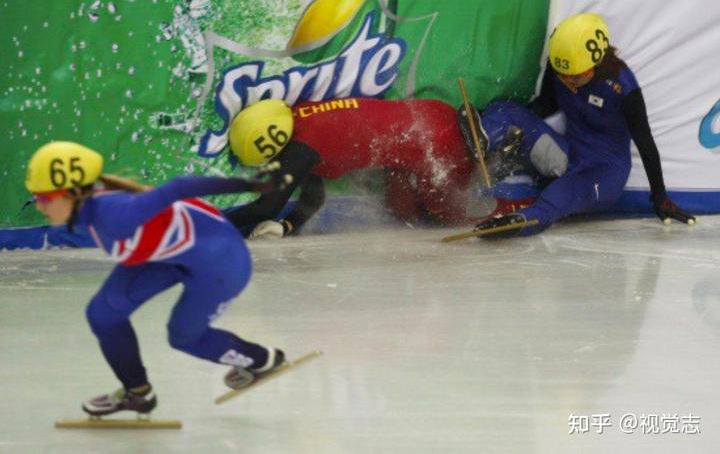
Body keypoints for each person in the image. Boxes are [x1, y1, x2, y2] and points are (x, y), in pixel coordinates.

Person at [25, 141, 291, 417]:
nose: (39, 207)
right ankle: (138, 394)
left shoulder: (116, 215)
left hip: (220, 262)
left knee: (184, 337)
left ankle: (262, 360)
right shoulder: (90, 208)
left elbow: (180, 186)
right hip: (171, 255)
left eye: (44, 199)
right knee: (103, 314)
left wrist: (249, 184)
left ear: (72, 193)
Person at [473, 13, 695, 238]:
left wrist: (660, 197)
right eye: (562, 75)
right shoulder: (563, 64)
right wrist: (508, 123)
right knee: (506, 108)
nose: (568, 81)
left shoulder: (624, 88)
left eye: (576, 77)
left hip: (604, 173)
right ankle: (483, 137)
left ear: (596, 63)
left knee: (561, 193)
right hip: (568, 154)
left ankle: (522, 222)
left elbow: (645, 142)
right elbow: (546, 105)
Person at [223, 97, 483, 238]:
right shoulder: (302, 117)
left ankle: (513, 199)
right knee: (402, 212)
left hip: (438, 144)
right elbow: (315, 197)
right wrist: (287, 226)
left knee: (447, 217)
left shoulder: (301, 150)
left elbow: (265, 207)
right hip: (430, 117)